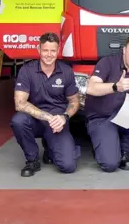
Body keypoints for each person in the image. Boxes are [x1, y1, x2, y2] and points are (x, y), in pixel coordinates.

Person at [10, 32, 81, 177]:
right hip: (36, 120)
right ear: (39, 50)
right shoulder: (27, 70)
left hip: (57, 123)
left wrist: (64, 116)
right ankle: (32, 159)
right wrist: (49, 117)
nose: (49, 54)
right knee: (18, 120)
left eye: (53, 50)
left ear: (58, 51)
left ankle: (51, 148)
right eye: (45, 50)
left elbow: (74, 101)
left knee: (68, 166)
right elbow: (19, 103)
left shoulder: (66, 71)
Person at [85, 35, 129, 172]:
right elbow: (90, 88)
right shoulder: (107, 62)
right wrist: (116, 87)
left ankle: (124, 152)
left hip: (122, 118)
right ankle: (103, 145)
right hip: (101, 119)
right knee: (110, 165)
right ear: (124, 50)